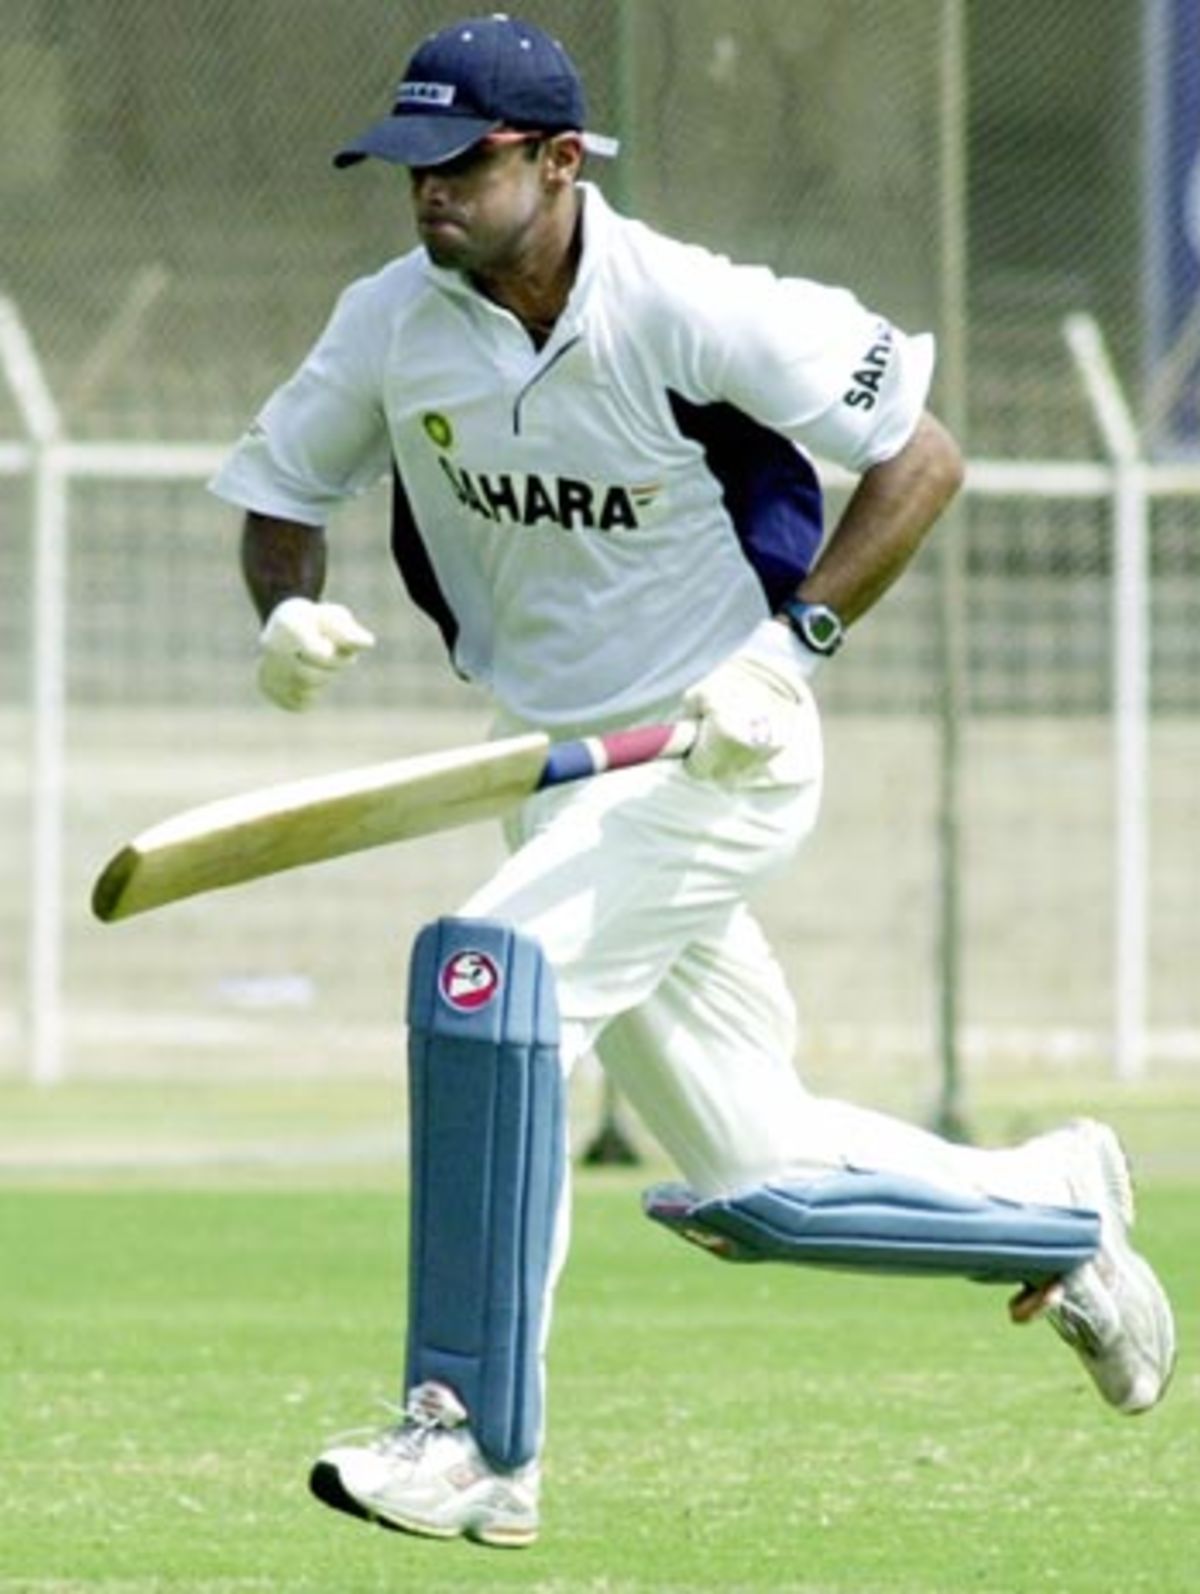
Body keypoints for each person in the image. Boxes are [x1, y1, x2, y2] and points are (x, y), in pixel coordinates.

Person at [209, 13, 1175, 1551]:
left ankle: (472, 1442)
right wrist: (282, 608)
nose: (427, 194)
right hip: (560, 769)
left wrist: (789, 649)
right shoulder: (394, 321)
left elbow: (919, 456)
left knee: (489, 974)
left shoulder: (692, 304)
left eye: (460, 162)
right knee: (759, 1171)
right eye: (409, 166)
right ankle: (1063, 1207)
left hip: (721, 742)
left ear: (556, 159)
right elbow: (280, 487)